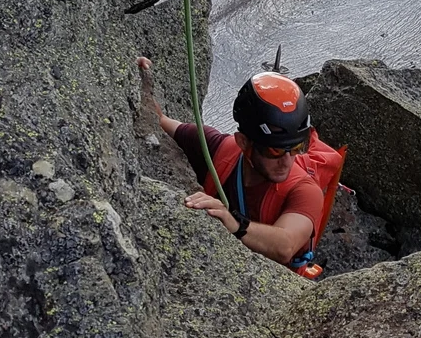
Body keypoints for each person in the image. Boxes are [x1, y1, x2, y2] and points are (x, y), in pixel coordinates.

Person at [137, 57, 324, 268]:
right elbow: (157, 119)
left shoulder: (305, 190)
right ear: (243, 142)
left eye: (297, 148)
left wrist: (235, 224)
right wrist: (137, 74)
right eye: (275, 150)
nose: (287, 161)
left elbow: (285, 246)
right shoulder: (216, 148)